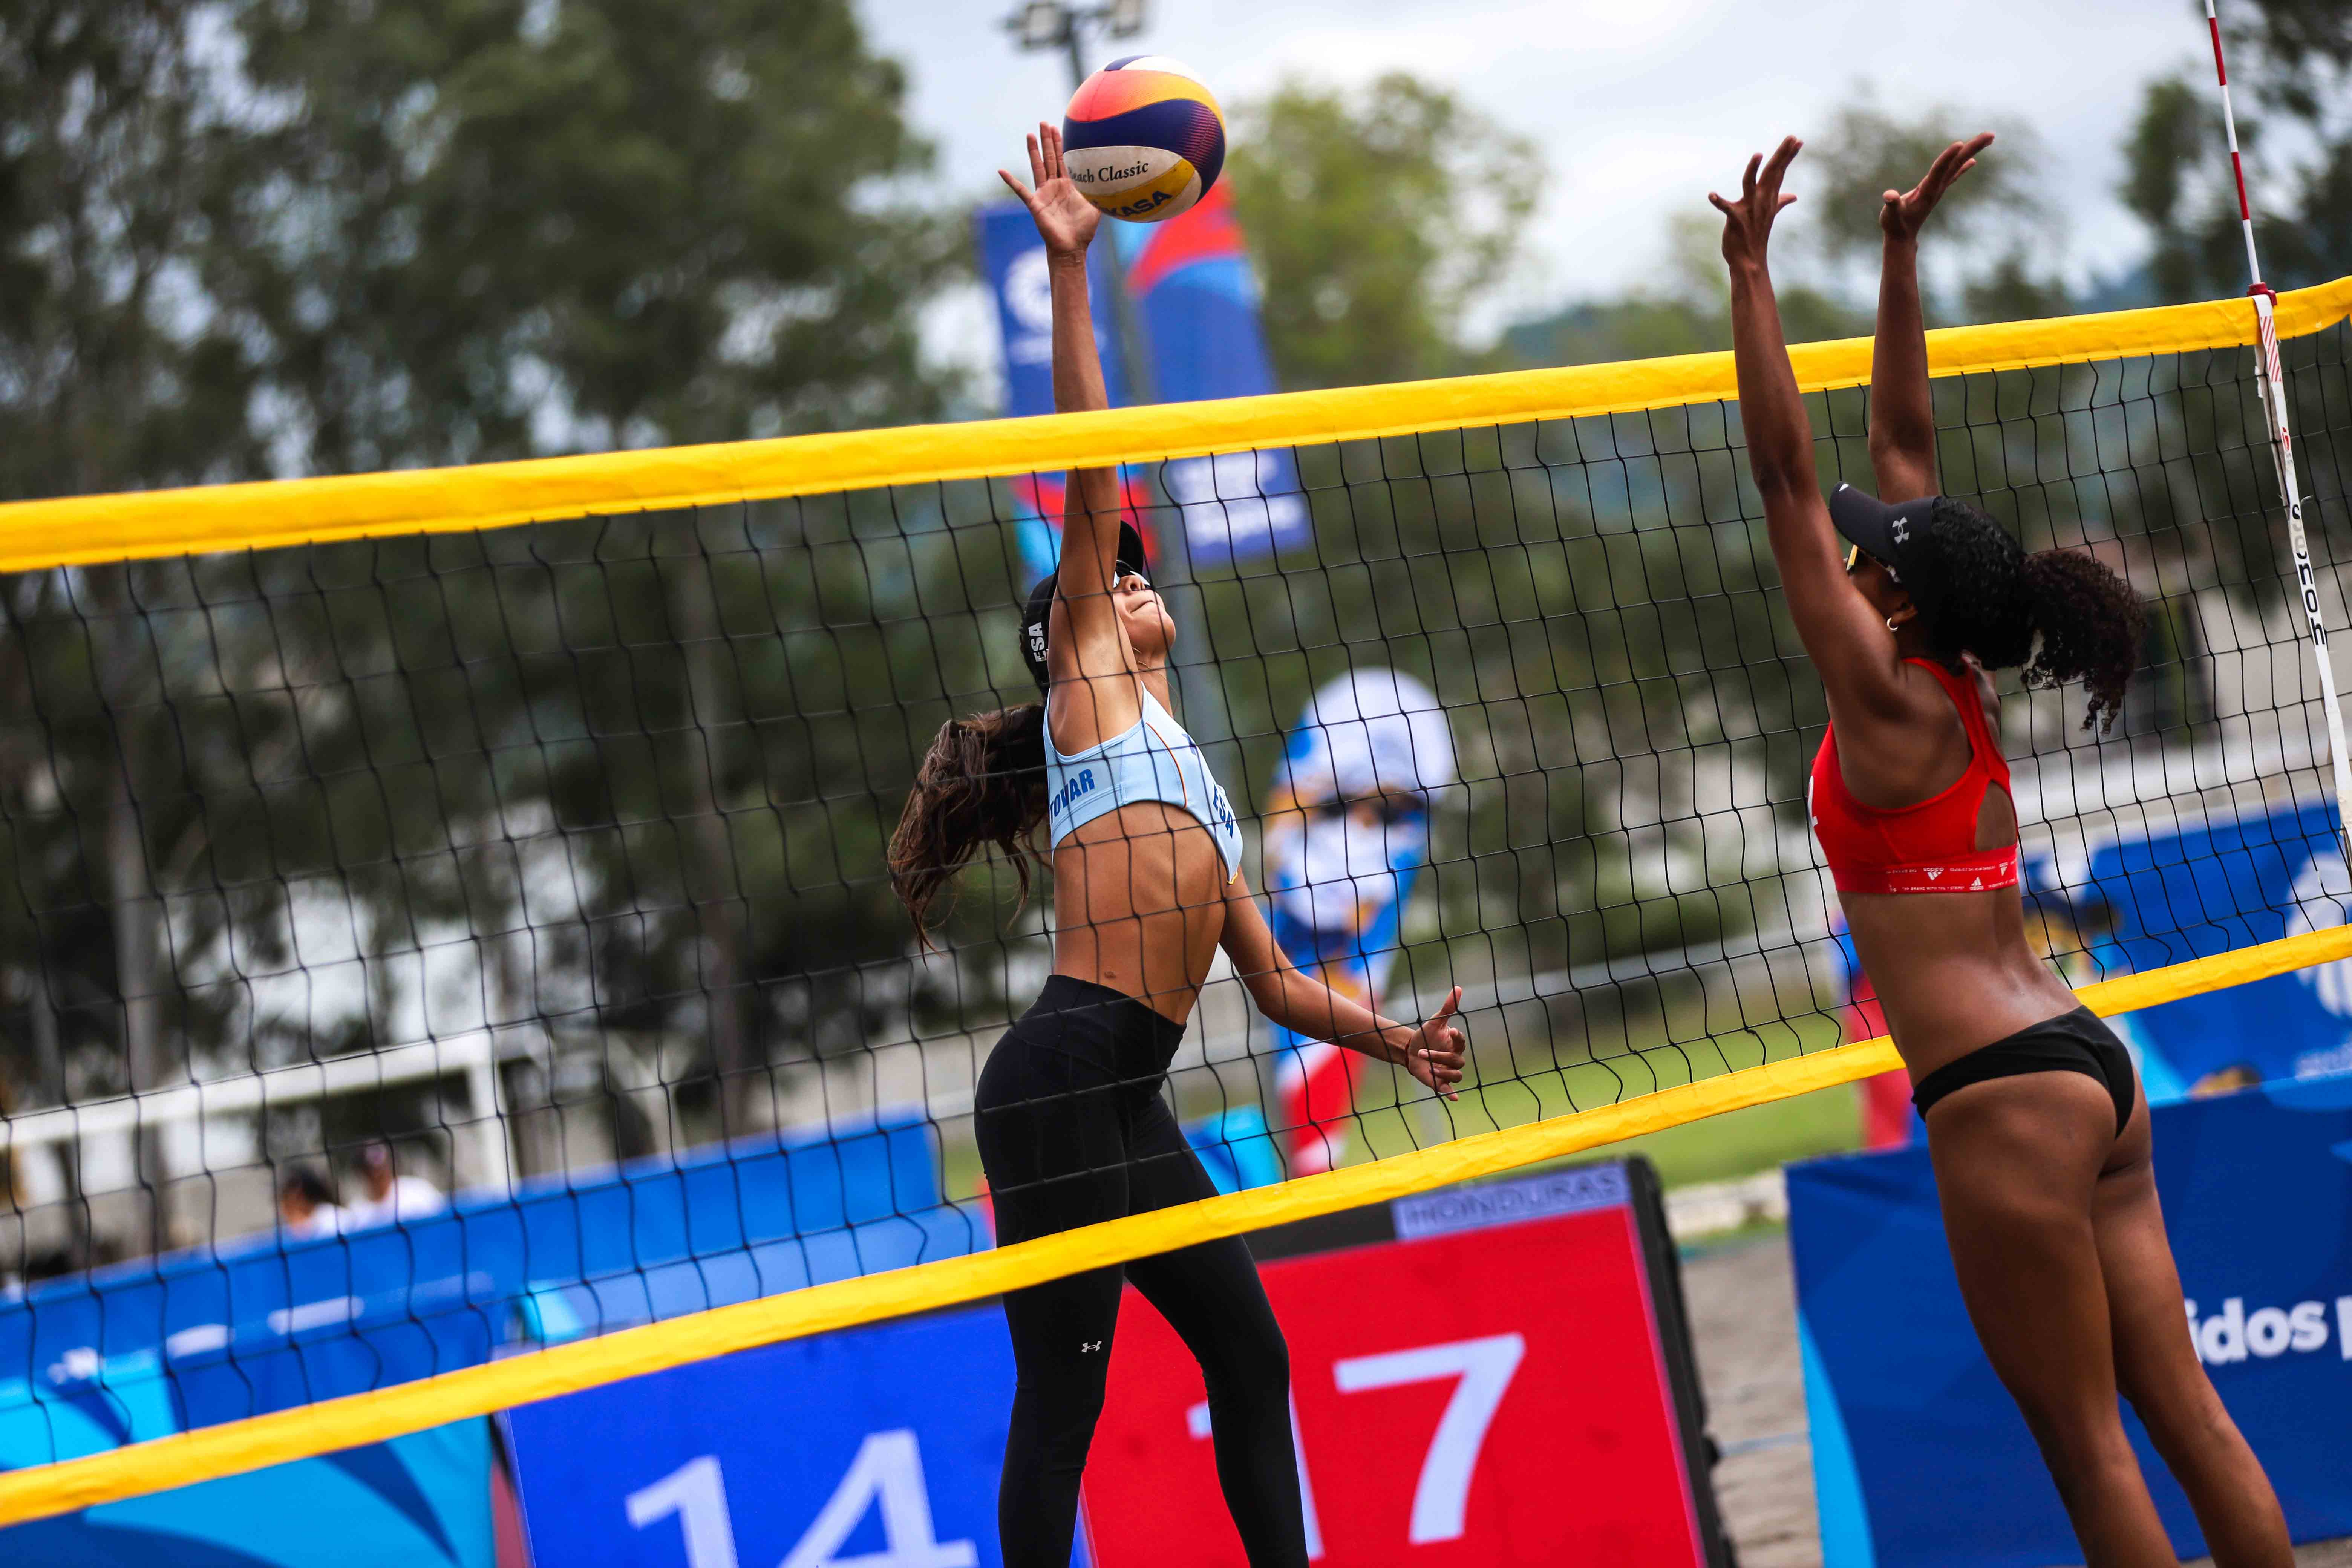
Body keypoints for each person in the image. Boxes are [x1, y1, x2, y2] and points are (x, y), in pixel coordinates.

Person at [888, 123, 1468, 1568]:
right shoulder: (1086, 688)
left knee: (1251, 1356)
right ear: (1076, 629)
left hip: (1127, 1089)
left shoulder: (1201, 788)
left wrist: (1393, 1039)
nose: (1141, 584)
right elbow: (1092, 463)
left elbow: (1272, 986)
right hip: (1057, 1079)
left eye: (1141, 580)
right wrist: (1069, 269)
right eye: (1119, 579)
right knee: (1063, 1407)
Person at [1712, 134, 2290, 1564]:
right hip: (2090, 1067)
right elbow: (1899, 454)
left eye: (1867, 558)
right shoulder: (1955, 678)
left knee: (2088, 1450)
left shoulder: (1881, 699)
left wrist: (1751, 276)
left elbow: (1784, 478)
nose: (1849, 556)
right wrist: (1898, 255)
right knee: (2187, 1415)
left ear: (1898, 602)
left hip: (1999, 1095)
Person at [345, 1140, 447, 1228]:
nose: (376, 1176)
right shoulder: (357, 1211)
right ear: (362, 1173)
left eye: (382, 1170)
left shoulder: (419, 1191)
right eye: (370, 1171)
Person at [277, 1164, 347, 1239]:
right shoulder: (300, 1228)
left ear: (298, 1194)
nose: (282, 1206)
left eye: (285, 1196)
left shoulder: (332, 1220)